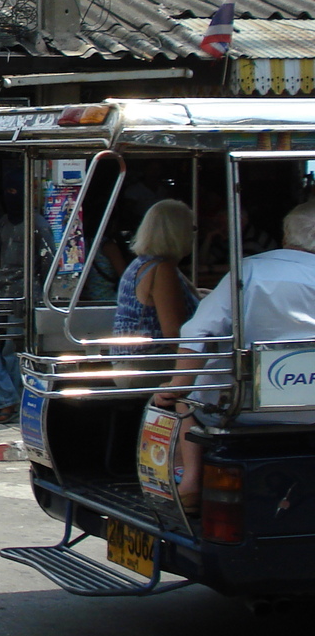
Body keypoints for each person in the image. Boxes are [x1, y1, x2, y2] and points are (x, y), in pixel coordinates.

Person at [156, 200, 315, 510]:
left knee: (187, 399)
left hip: (242, 409)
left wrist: (176, 386)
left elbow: (198, 332)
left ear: (285, 237)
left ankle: (190, 481)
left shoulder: (249, 271)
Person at [110, 198, 197, 354]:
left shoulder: (144, 263)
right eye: (192, 228)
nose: (194, 234)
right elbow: (173, 333)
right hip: (150, 359)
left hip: (132, 359)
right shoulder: (162, 269)